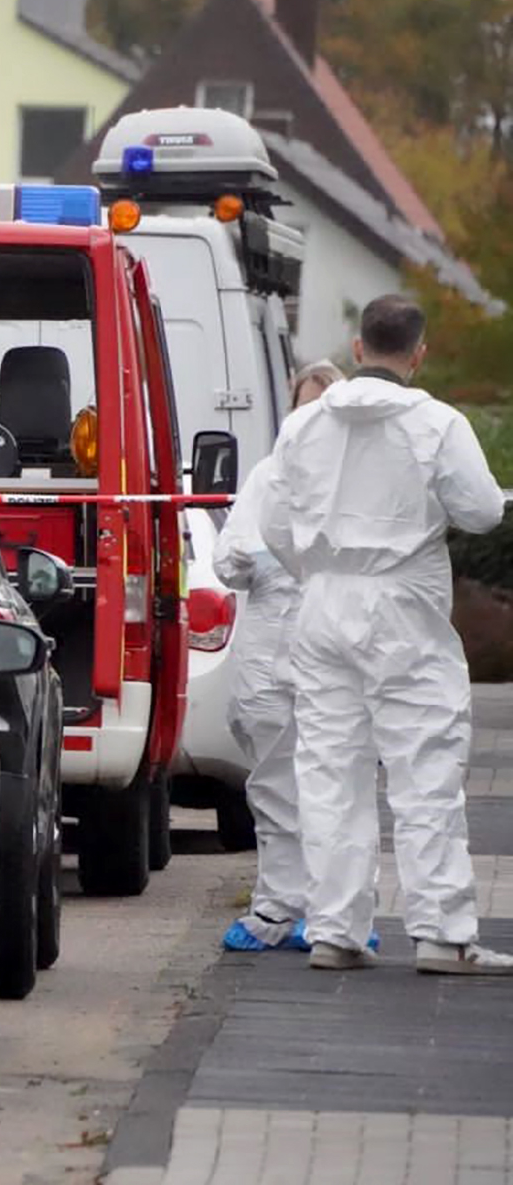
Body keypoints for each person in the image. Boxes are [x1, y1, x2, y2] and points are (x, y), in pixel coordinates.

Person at [260, 296, 509, 974]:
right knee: (423, 766)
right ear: (418, 353)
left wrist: (315, 571)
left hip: (321, 604)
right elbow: (483, 513)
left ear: (356, 348)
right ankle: (440, 933)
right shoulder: (436, 424)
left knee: (329, 771)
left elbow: (274, 524)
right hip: (402, 604)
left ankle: (336, 930)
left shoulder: (303, 426)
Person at [212, 359, 345, 952]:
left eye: (324, 407)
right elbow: (227, 556)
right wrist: (260, 559)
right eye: (304, 406)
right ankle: (276, 908)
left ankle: (334, 913)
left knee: (334, 788)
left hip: (334, 651)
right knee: (272, 787)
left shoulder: (356, 480)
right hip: (270, 654)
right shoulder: (270, 476)